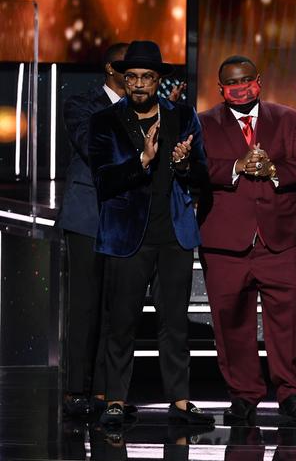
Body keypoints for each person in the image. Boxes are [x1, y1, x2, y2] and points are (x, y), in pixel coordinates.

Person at [88, 40, 213, 426]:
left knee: (174, 322)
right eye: (132, 77)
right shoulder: (105, 121)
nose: (139, 84)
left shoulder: (184, 116)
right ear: (123, 80)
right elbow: (104, 179)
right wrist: (143, 159)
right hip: (128, 237)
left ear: (158, 80)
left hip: (173, 235)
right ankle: (115, 399)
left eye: (146, 77)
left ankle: (179, 400)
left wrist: (184, 164)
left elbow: (202, 178)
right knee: (121, 321)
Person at [198, 55, 296, 424]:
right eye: (231, 83)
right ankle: (243, 395)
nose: (239, 87)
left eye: (246, 80)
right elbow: (194, 168)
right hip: (225, 240)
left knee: (291, 319)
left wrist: (274, 171)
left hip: (281, 239)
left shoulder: (288, 118)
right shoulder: (202, 124)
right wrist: (235, 167)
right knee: (230, 321)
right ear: (220, 88)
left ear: (258, 81)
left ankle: (292, 394)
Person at [58, 43, 128, 417]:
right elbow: (93, 148)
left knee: (114, 306)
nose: (133, 73)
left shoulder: (145, 107)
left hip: (126, 218)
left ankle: (104, 389)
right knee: (84, 305)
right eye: (126, 65)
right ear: (109, 68)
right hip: (88, 215)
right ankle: (75, 389)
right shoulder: (82, 104)